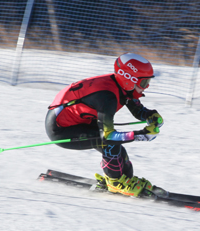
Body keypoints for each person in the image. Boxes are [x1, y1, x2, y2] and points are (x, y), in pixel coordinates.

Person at [45, 52, 163, 197]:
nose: (147, 87)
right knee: (109, 143)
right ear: (129, 80)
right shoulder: (107, 97)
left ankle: (125, 180)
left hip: (81, 121)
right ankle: (115, 183)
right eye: (144, 83)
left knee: (117, 148)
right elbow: (108, 136)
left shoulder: (122, 87)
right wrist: (140, 135)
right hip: (61, 129)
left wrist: (150, 115)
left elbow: (137, 109)